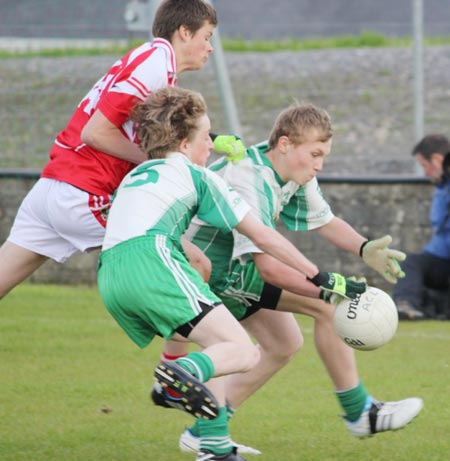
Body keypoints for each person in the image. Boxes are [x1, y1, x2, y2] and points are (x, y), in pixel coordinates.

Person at [97, 86, 366, 461]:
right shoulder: (203, 178)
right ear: (183, 140)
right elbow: (264, 238)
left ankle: (215, 447)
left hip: (110, 274)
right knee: (240, 350)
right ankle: (180, 376)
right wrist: (319, 276)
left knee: (214, 336)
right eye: (206, 135)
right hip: (152, 263)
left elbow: (115, 219)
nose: (213, 142)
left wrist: (188, 255)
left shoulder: (138, 173)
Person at [153, 102, 423, 455]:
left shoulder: (291, 173)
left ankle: (206, 430)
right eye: (314, 154)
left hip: (233, 269)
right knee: (238, 338)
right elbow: (268, 266)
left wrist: (364, 247)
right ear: (284, 144)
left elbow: (324, 220)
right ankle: (214, 436)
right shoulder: (249, 177)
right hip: (202, 271)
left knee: (284, 342)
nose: (319, 164)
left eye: (323, 155)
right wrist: (328, 285)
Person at [0, 0, 244, 299]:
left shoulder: (153, 59)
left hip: (54, 187)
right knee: (194, 264)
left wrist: (210, 138)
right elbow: (96, 132)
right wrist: (162, 163)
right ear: (184, 32)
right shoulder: (154, 66)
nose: (210, 48)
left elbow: (141, 128)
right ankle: (220, 345)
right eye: (206, 37)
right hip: (82, 194)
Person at [393, 134, 450, 320]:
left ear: (437, 159)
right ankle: (406, 305)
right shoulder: (442, 187)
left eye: (425, 166)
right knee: (411, 264)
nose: (425, 173)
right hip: (442, 260)